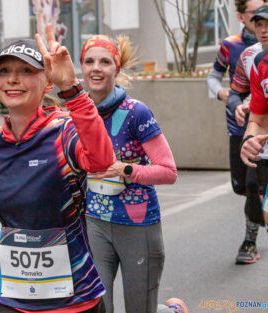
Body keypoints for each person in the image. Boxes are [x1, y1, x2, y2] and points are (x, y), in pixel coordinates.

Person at [0, 25, 115, 312]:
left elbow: (102, 161)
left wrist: (71, 89)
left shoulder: (64, 133)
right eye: (4, 71)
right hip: (11, 296)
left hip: (72, 300)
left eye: (25, 71)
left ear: (47, 82)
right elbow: (16, 196)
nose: (12, 79)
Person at [79, 34, 181, 313]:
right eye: (89, 61)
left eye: (105, 61)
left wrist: (126, 169)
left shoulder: (136, 112)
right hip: (95, 222)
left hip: (138, 223)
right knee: (98, 308)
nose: (96, 68)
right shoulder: (77, 113)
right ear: (81, 67)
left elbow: (169, 171)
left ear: (117, 68)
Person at [206, 0, 267, 264]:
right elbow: (231, 89)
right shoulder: (246, 54)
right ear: (243, 18)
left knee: (255, 186)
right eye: (258, 19)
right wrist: (233, 102)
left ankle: (249, 241)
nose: (263, 26)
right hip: (244, 129)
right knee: (244, 187)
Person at [228, 4, 268, 263]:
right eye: (260, 24)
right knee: (251, 188)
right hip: (262, 146)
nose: (264, 30)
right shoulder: (257, 61)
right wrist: (248, 138)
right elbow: (258, 118)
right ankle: (250, 240)